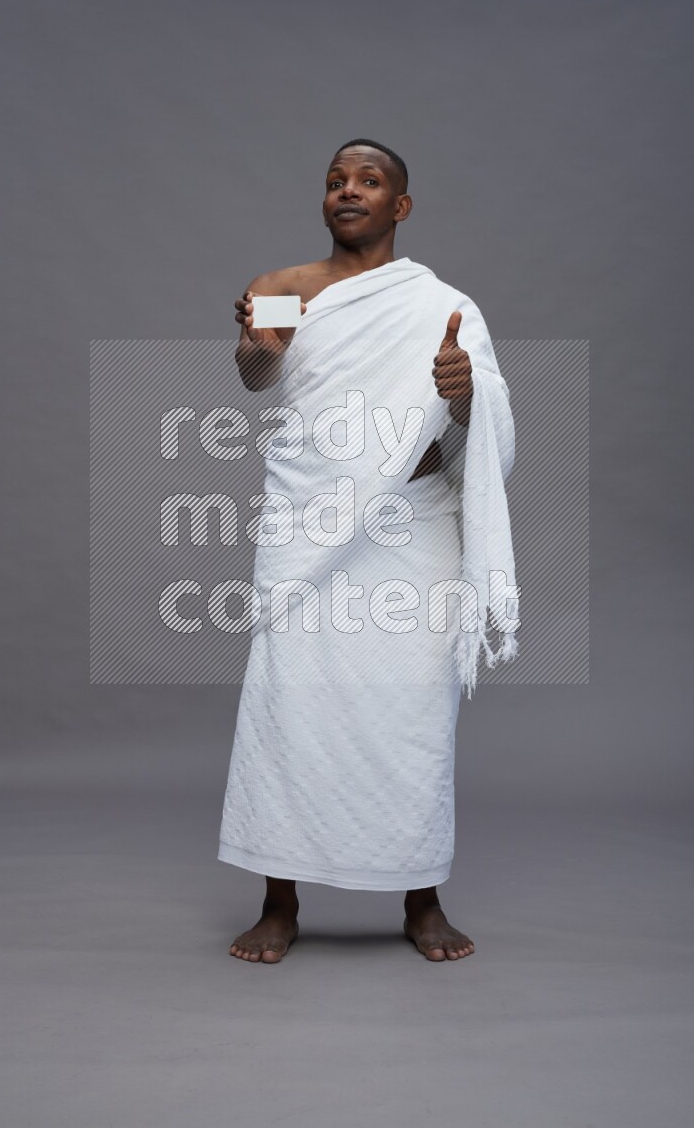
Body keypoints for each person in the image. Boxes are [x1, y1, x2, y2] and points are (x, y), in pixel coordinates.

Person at [219, 139, 505, 963]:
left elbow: (475, 426)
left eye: (369, 181)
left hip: (410, 523)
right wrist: (259, 341)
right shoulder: (282, 288)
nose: (349, 190)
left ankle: (421, 898)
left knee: (413, 706)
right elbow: (256, 377)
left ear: (399, 206)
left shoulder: (446, 304)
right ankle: (279, 900)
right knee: (289, 702)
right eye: (337, 180)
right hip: (310, 520)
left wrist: (466, 393)